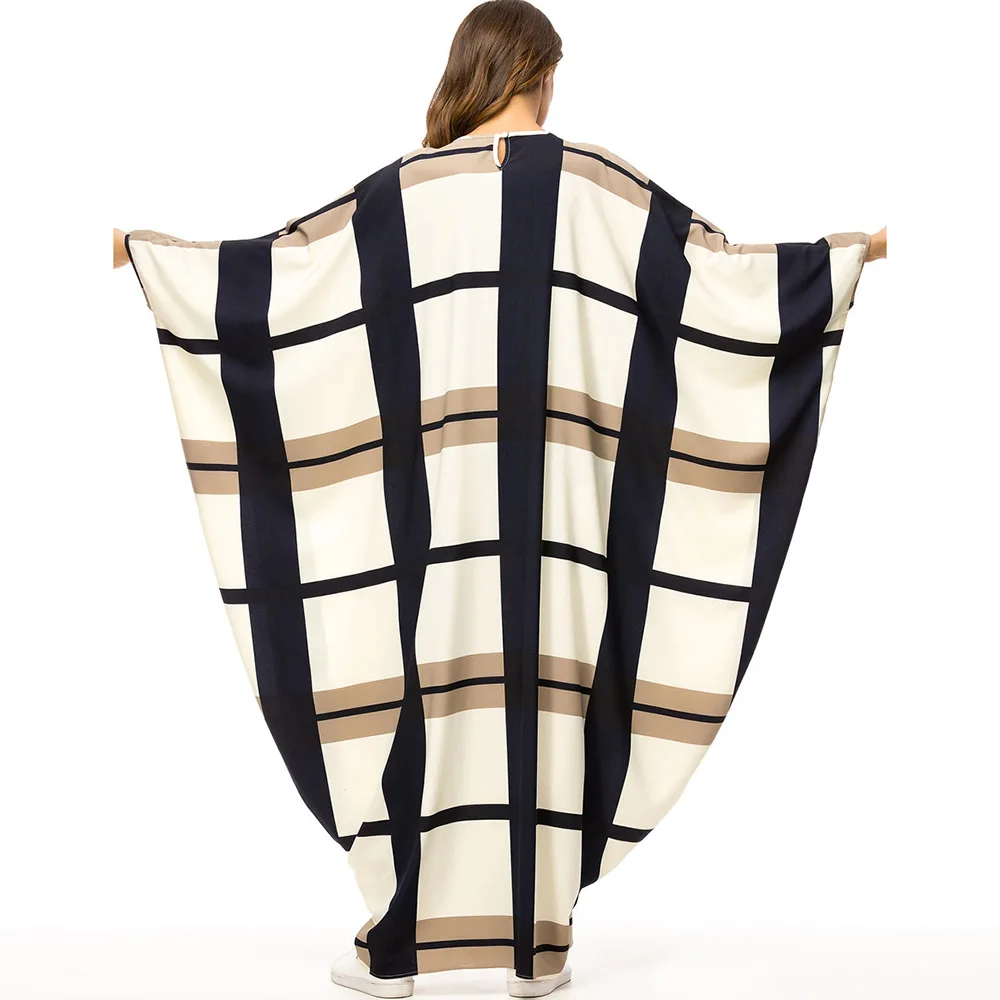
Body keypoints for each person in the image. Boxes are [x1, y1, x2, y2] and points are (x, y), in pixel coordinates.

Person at [112, 2, 886, 997]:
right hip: (556, 523)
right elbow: (718, 283)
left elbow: (283, 275)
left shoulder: (399, 196)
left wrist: (148, 257)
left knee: (411, 696)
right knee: (546, 700)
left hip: (429, 518)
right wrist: (850, 255)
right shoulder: (596, 185)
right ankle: (535, 947)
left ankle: (396, 946)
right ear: (542, 73)